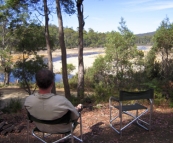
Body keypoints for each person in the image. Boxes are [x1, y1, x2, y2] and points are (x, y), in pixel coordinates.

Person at [24, 69, 83, 133]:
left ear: (37, 83)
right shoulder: (62, 101)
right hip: (62, 129)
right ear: (52, 83)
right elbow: (75, 116)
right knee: (77, 110)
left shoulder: (28, 100)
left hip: (41, 127)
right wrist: (77, 109)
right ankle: (64, 139)